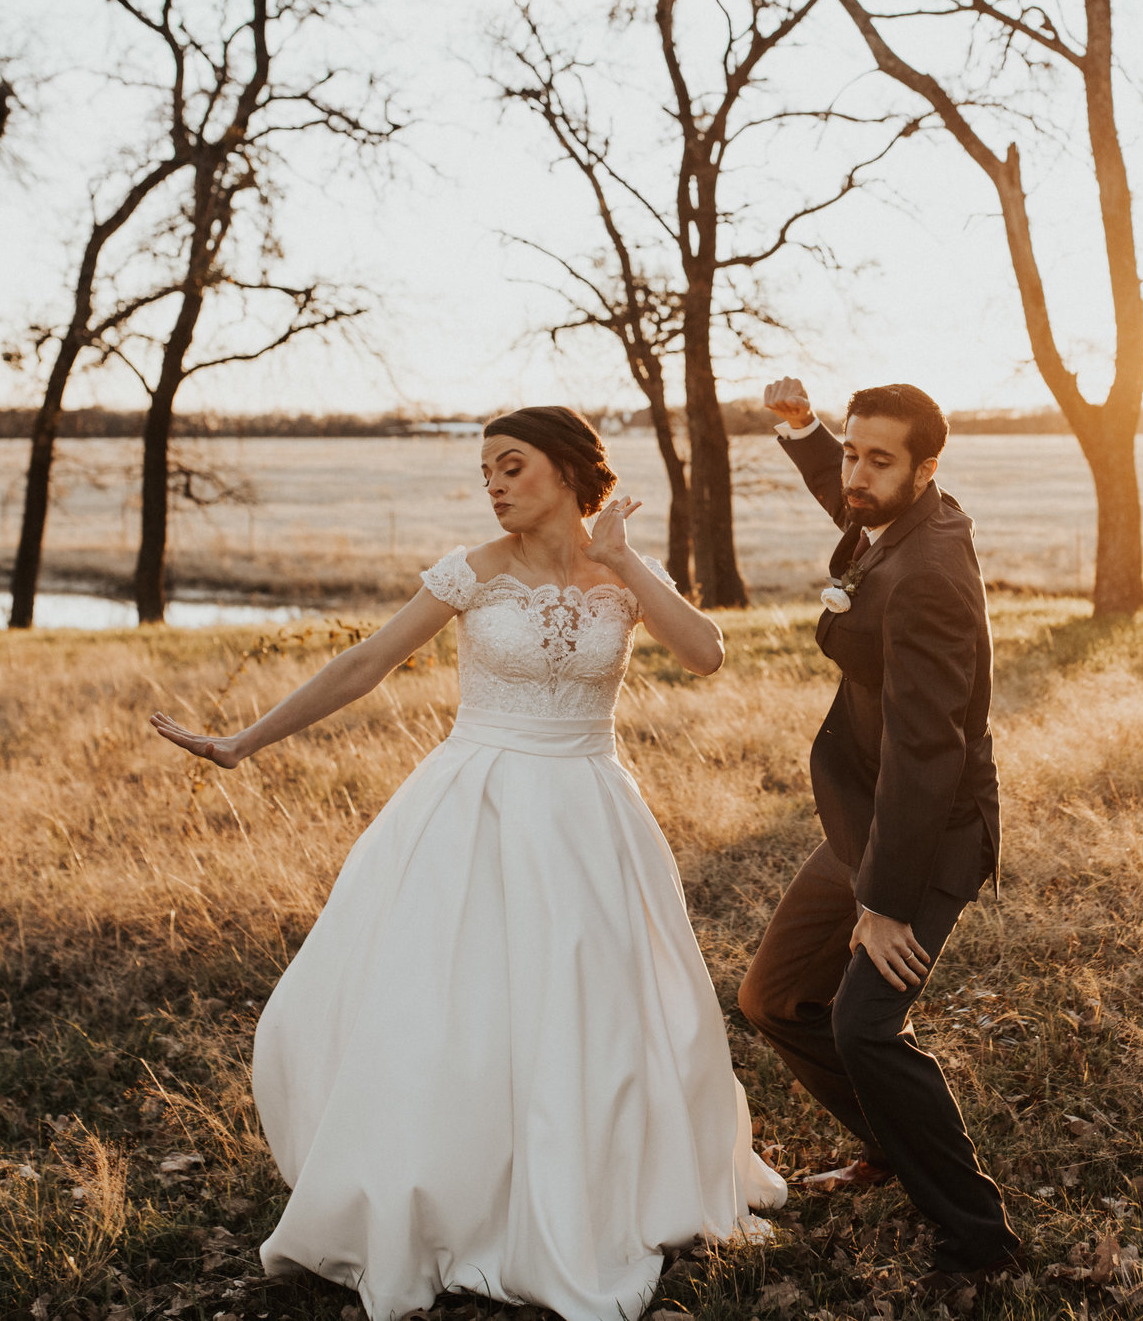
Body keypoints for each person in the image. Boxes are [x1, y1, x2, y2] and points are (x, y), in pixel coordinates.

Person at [150, 406, 784, 1321]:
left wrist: (624, 558)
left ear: (567, 470)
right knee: (462, 1002)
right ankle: (451, 1188)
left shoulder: (621, 573)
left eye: (512, 466)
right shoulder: (471, 575)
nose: (493, 484)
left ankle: (589, 1182)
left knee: (595, 1005)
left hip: (591, 809)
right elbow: (366, 663)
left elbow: (706, 655)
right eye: (485, 469)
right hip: (477, 803)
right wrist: (244, 742)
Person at [735, 377, 1020, 1294]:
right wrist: (806, 433)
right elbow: (848, 498)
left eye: (876, 458)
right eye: (852, 452)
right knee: (775, 999)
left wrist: (886, 903)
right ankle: (889, 1146)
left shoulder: (931, 575)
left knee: (864, 1027)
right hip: (867, 817)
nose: (854, 475)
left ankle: (980, 1239)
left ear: (926, 470)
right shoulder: (889, 511)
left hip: (929, 830)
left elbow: (927, 751)